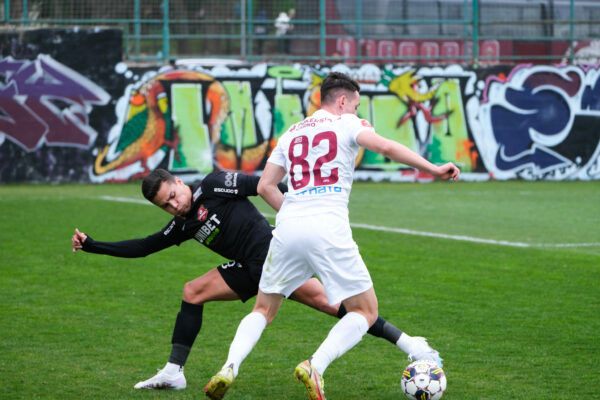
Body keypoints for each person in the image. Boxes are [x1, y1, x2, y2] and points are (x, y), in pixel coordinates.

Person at [204, 72, 459, 400]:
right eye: (354, 105)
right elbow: (385, 146)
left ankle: (230, 366)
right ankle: (316, 364)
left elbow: (266, 186)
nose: (355, 111)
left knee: (263, 309)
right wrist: (434, 168)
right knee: (364, 311)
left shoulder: (291, 133)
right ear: (342, 101)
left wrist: (294, 213)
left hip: (288, 225)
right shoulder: (348, 124)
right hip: (327, 225)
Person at [71, 168, 415, 390]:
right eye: (166, 205)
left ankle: (410, 344)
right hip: (250, 270)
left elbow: (263, 183)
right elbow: (144, 246)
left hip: (275, 258)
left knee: (338, 306)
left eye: (173, 195)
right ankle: (174, 372)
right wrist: (92, 246)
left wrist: (303, 209)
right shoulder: (183, 224)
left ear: (179, 182)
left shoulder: (214, 184)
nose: (174, 206)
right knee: (192, 292)